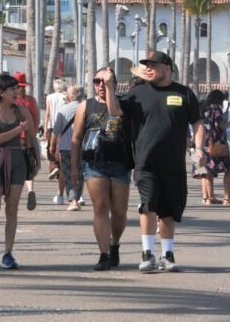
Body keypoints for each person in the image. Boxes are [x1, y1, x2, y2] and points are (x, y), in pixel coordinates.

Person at [105, 51, 204, 273]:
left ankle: (167, 255)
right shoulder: (137, 93)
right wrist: (110, 87)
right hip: (145, 162)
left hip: (173, 164)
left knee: (169, 210)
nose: (148, 68)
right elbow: (115, 111)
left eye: (153, 65)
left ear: (167, 67)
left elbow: (197, 122)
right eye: (146, 65)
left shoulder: (184, 93)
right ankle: (147, 254)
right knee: (148, 206)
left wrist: (199, 148)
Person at [72, 69, 133, 271]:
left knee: (119, 212)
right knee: (100, 207)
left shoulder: (123, 103)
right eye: (97, 81)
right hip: (94, 163)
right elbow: (76, 138)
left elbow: (117, 113)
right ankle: (104, 253)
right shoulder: (85, 106)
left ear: (115, 84)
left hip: (120, 163)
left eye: (105, 81)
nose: (100, 85)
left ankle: (115, 243)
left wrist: (109, 91)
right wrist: (74, 167)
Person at [0, 74, 37, 269]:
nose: (16, 92)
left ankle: (8, 253)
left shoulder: (22, 111)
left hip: (17, 160)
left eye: (17, 88)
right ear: (1, 92)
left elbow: (32, 136)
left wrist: (36, 161)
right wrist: (18, 129)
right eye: (12, 89)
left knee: (12, 209)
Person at [50, 85, 85, 212]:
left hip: (66, 147)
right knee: (80, 173)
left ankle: (74, 200)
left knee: (68, 173)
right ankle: (78, 197)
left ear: (70, 96)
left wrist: (52, 147)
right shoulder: (86, 108)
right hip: (82, 146)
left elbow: (56, 130)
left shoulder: (63, 110)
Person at [13, 72, 41, 210]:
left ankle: (14, 195)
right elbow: (37, 119)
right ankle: (30, 190)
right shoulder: (31, 100)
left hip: (15, 139)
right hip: (29, 139)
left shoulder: (12, 101)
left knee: (15, 168)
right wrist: (33, 134)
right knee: (29, 168)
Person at [200, 90, 230, 205]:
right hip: (216, 144)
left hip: (200, 144)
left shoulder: (202, 107)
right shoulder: (216, 108)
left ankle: (208, 197)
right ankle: (227, 198)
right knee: (228, 170)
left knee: (204, 172)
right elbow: (221, 125)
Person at [44, 79, 68, 203]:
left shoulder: (49, 97)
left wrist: (45, 127)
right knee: (61, 149)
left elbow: (47, 113)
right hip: (64, 126)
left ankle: (53, 167)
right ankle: (58, 167)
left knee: (51, 149)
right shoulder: (65, 96)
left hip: (52, 126)